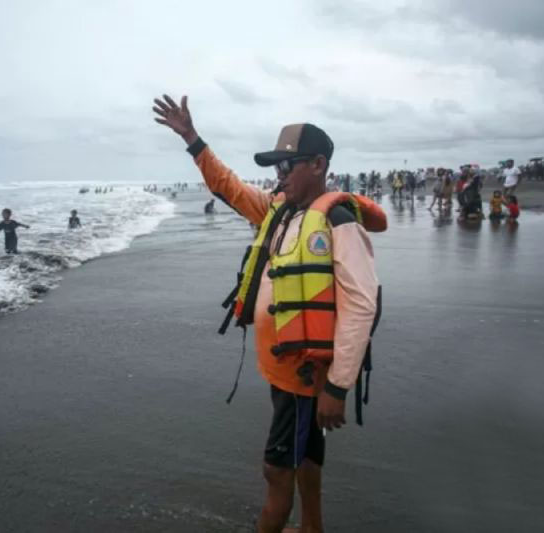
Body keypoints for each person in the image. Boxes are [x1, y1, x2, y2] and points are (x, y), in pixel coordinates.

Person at [153, 94, 385, 533]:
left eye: (286, 165)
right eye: (275, 168)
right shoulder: (279, 210)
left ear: (317, 165)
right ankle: (312, 527)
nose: (278, 176)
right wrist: (192, 139)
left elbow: (361, 304)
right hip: (283, 368)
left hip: (304, 374)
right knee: (306, 456)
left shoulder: (337, 222)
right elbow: (231, 188)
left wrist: (338, 385)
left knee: (277, 471)